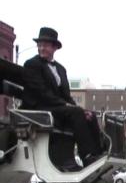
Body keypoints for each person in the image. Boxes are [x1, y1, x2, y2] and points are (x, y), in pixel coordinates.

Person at [22, 27, 104, 168]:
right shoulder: (32, 65)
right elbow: (42, 93)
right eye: (39, 44)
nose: (41, 48)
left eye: (45, 45)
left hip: (57, 107)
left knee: (90, 115)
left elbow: (66, 95)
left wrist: (80, 109)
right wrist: (67, 106)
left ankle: (98, 153)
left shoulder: (60, 69)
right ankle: (87, 156)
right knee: (76, 113)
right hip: (40, 107)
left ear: (54, 48)